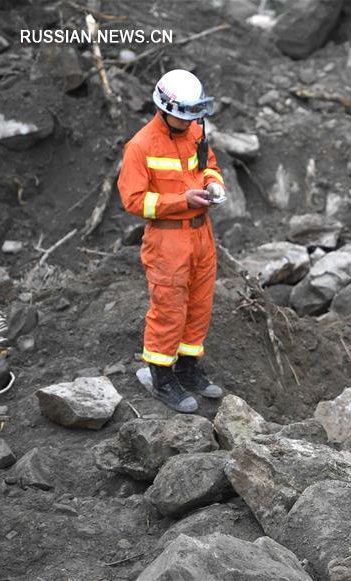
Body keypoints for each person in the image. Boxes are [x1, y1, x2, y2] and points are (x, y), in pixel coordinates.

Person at [117, 69, 226, 413]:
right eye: (184, 117)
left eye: (194, 116)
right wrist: (182, 201)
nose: (190, 122)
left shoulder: (194, 130)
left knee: (198, 306)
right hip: (168, 240)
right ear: (165, 109)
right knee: (169, 310)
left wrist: (213, 184)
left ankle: (188, 369)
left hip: (201, 235)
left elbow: (208, 163)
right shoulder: (140, 146)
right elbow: (134, 201)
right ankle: (162, 378)